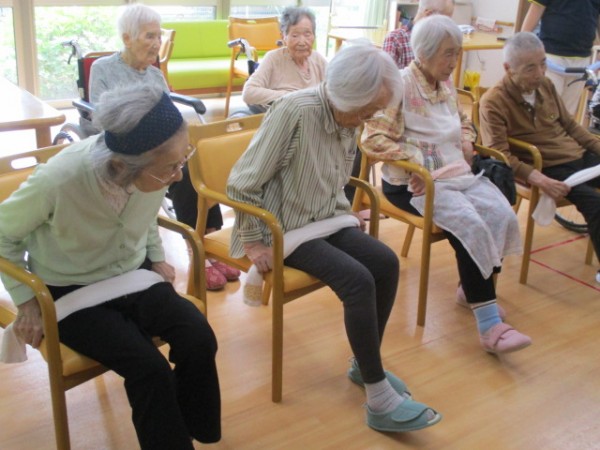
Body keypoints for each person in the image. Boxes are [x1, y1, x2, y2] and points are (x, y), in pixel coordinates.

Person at [227, 42, 441, 433]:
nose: (368, 119)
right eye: (367, 110)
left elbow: (332, 175)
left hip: (323, 218)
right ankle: (378, 398)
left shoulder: (349, 117)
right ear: (346, 96)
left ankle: (364, 364)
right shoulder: (294, 111)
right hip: (282, 227)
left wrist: (344, 210)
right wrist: (255, 241)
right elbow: (242, 183)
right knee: (357, 281)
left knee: (385, 263)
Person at [0, 84, 221, 449]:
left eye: (182, 160)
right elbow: (3, 233)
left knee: (198, 336)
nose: (179, 176)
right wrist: (26, 301)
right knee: (148, 369)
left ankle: (193, 428)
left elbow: (148, 214)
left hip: (132, 274)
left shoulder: (151, 170)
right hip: (71, 290)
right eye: (171, 167)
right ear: (120, 166)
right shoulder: (60, 179)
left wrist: (157, 255)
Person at [362, 15, 531, 354]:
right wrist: (412, 161)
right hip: (411, 185)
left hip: (454, 173)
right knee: (469, 223)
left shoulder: (446, 84)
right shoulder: (399, 86)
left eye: (457, 53)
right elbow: (372, 138)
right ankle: (489, 326)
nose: (454, 61)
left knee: (500, 213)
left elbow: (464, 122)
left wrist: (467, 139)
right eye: (448, 54)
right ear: (423, 53)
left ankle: (471, 290)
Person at [89, 3, 240, 290]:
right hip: (124, 149)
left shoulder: (155, 75)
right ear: (127, 38)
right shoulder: (103, 69)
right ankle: (196, 249)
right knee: (176, 170)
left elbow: (167, 114)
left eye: (159, 36)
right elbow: (100, 118)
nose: (157, 43)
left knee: (194, 163)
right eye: (150, 36)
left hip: (158, 147)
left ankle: (207, 242)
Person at [479, 31, 600, 282]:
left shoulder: (546, 85)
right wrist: (539, 179)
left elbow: (571, 126)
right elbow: (500, 156)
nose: (540, 73)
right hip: (548, 166)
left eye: (543, 64)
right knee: (595, 204)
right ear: (508, 68)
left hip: (576, 155)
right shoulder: (493, 101)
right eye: (530, 68)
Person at [521, 0, 600, 116]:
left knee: (567, 113)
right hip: (551, 57)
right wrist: (521, 43)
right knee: (546, 110)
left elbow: (596, 18)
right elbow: (536, 9)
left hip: (582, 59)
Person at [242, 6, 327, 114]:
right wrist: (292, 96)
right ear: (283, 37)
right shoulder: (273, 59)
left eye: (307, 34)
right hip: (284, 118)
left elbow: (336, 89)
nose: (302, 42)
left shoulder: (318, 59)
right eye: (295, 35)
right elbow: (248, 93)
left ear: (314, 36)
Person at [383, 0, 455, 69]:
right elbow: (387, 77)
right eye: (445, 21)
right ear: (429, 15)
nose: (447, 26)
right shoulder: (395, 39)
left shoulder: (441, 41)